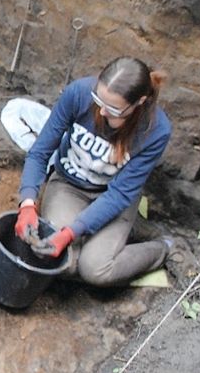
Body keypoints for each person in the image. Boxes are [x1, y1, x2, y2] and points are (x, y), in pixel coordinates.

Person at [14, 57, 172, 287]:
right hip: (69, 186)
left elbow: (118, 195)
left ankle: (162, 247)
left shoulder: (155, 130)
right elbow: (40, 153)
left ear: (139, 102)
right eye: (99, 100)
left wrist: (70, 233)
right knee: (60, 262)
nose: (103, 111)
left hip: (114, 198)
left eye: (114, 109)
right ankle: (123, 229)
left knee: (95, 269)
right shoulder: (78, 93)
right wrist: (27, 203)